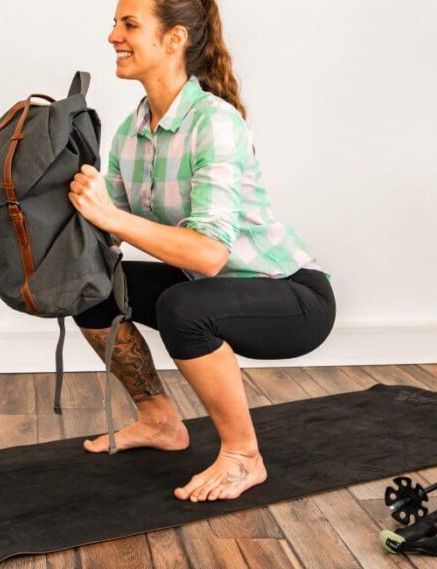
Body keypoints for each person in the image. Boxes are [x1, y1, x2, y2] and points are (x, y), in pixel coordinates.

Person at [66, 0, 336, 502]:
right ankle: (160, 421)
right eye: (114, 24)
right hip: (208, 289)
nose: (113, 37)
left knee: (183, 309)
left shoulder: (215, 122)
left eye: (129, 25)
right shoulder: (131, 132)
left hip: (292, 296)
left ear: (174, 40)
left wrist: (109, 214)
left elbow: (210, 255)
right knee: (93, 288)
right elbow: (112, 235)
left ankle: (242, 457)